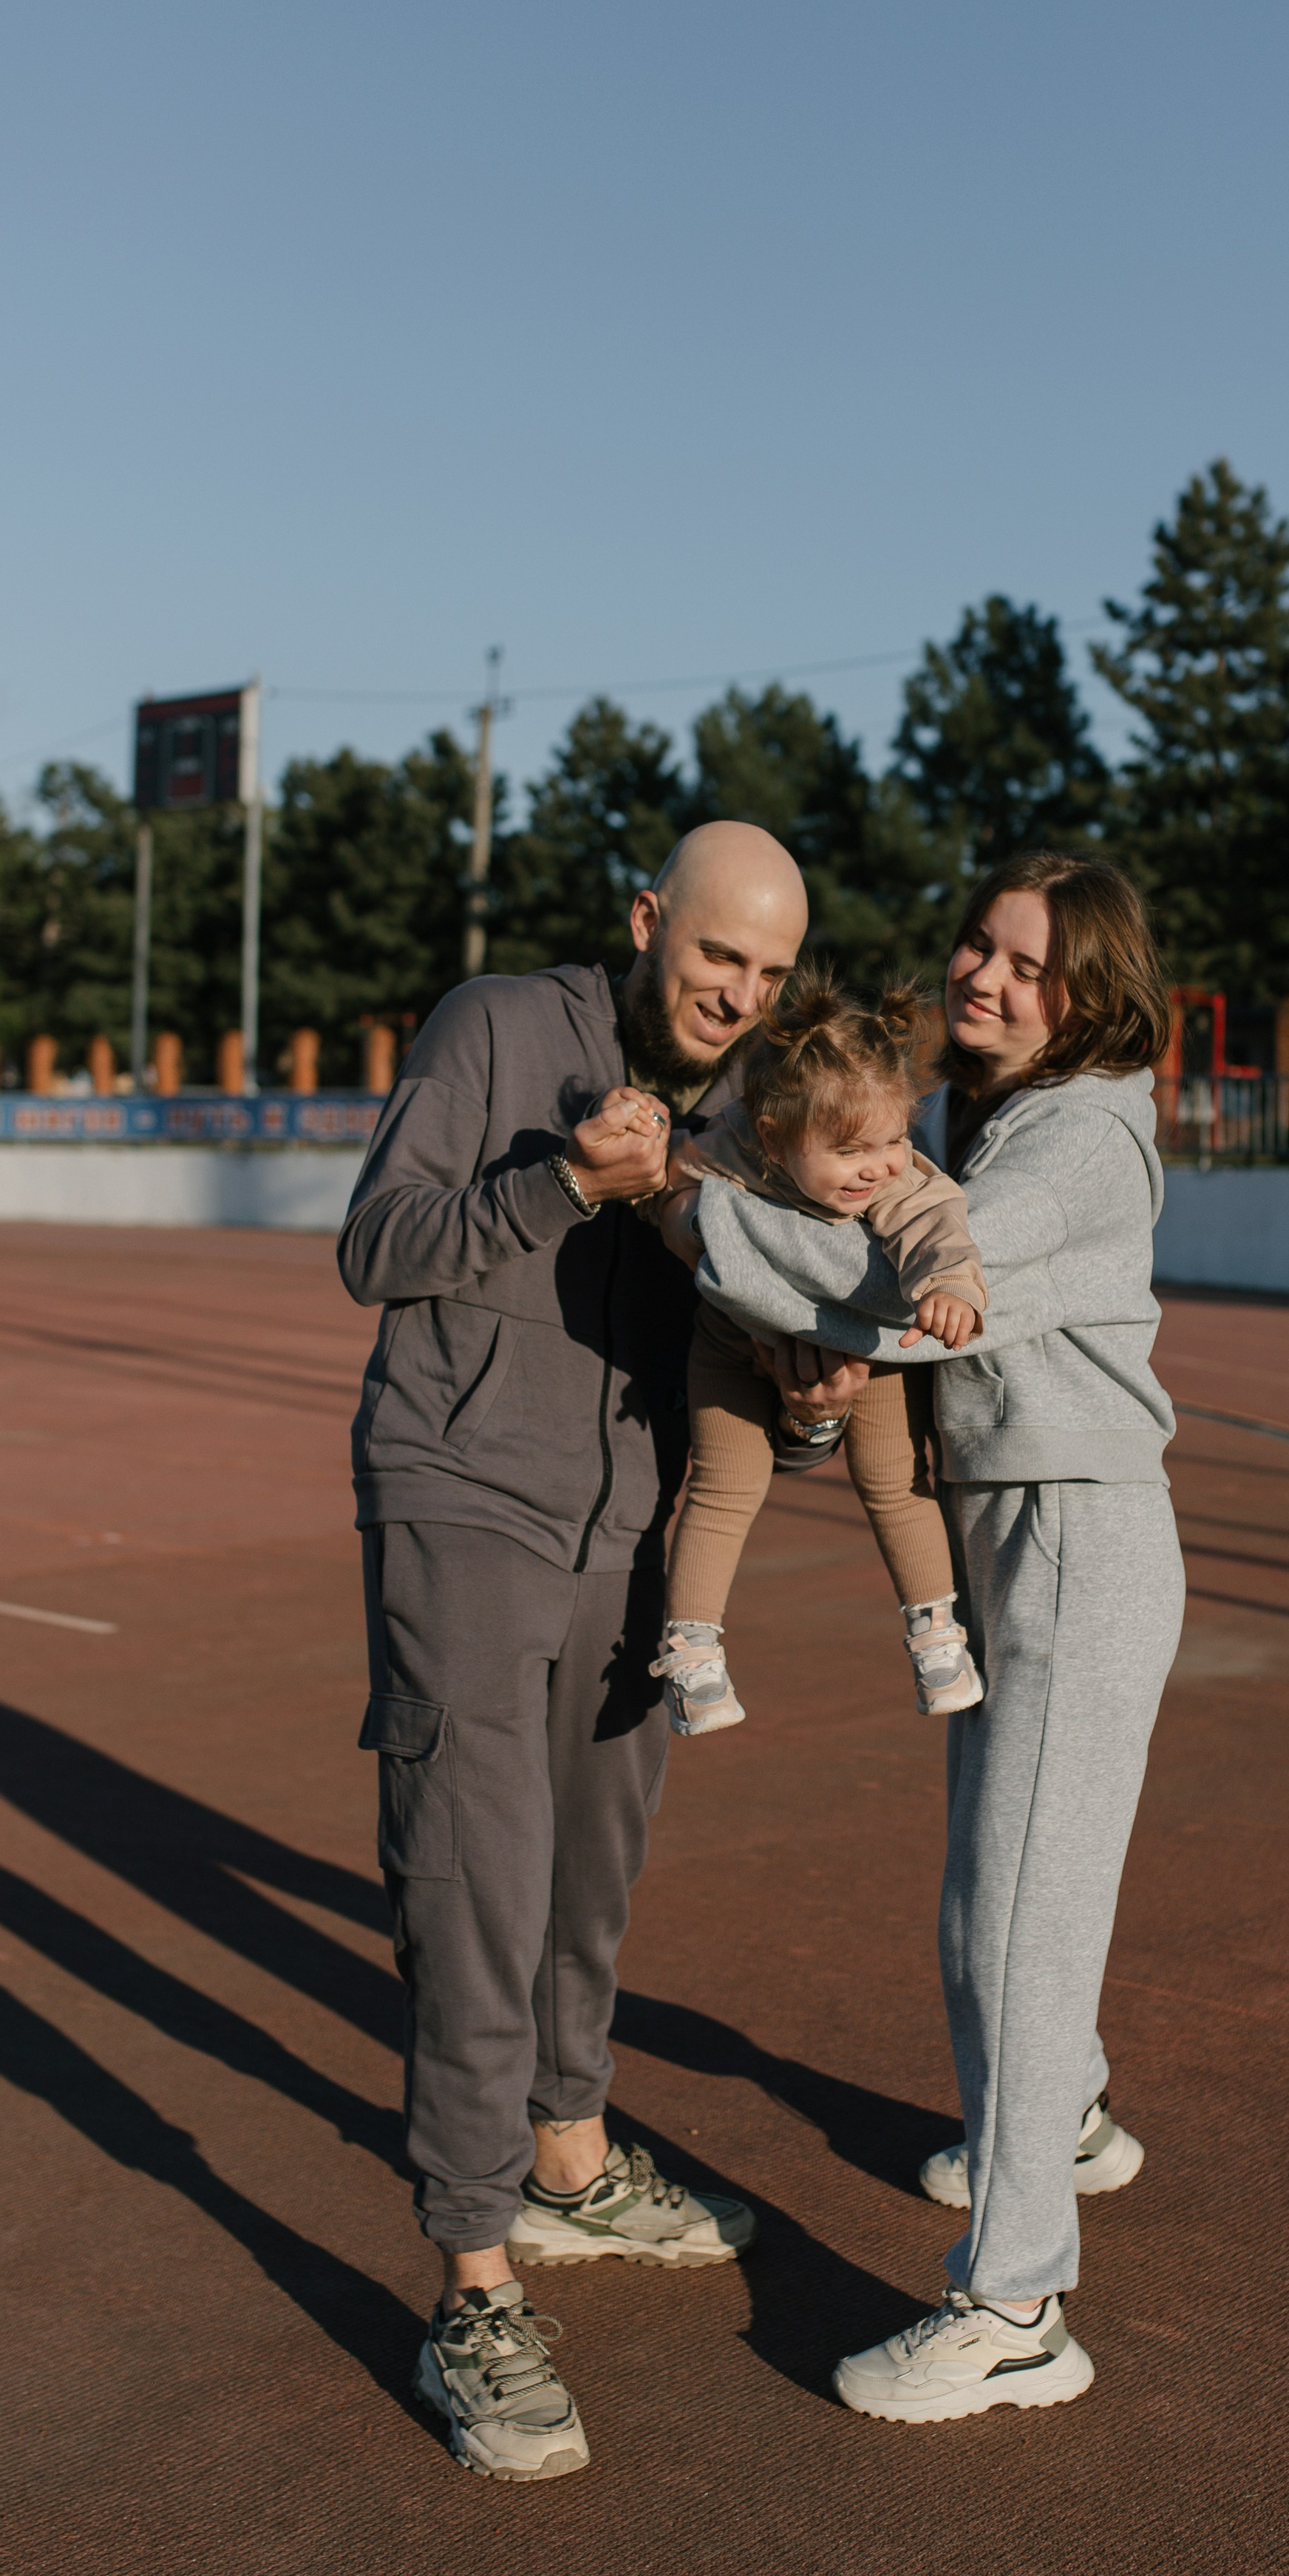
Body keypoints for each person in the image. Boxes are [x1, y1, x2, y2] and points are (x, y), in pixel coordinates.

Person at [339, 820, 826, 2484]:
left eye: (766, 976)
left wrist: (814, 1408)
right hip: (459, 1494)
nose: (735, 997)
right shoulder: (495, 1029)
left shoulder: (747, 1120)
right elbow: (375, 1249)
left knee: (588, 1881)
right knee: (475, 1878)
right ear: (646, 924)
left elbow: (749, 1352)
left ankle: (567, 2166)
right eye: (714, 959)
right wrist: (565, 1184)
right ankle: (471, 2280)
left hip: (633, 1536)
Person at [691, 850, 1185, 2425]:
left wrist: (685, 1204)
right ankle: (1072, 2120)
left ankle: (1017, 2304)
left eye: (1025, 966)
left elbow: (889, 1288)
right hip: (1018, 1537)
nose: (981, 977)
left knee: (1009, 1925)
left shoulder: (1074, 1142)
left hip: (1073, 1545)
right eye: (979, 944)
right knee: (997, 1900)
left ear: (1088, 995)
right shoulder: (1006, 1115)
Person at [643, 968, 987, 1736]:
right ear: (773, 1139)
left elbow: (936, 1220)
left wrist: (951, 1287)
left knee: (896, 1483)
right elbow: (669, 1177)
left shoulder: (893, 1181)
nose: (878, 1166)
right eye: (850, 1149)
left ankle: (936, 1633)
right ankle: (692, 1650)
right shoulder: (732, 1146)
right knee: (722, 1489)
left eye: (896, 1138)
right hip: (732, 1342)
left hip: (863, 1347)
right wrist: (654, 1179)